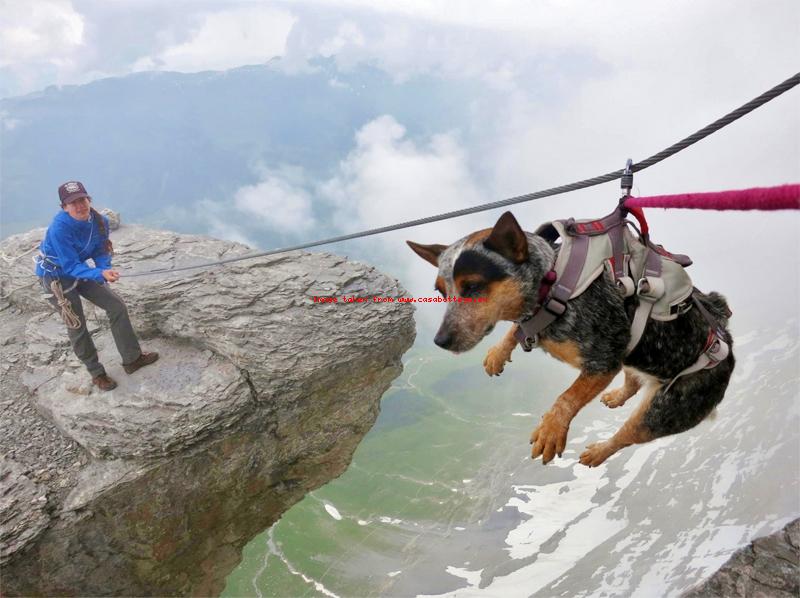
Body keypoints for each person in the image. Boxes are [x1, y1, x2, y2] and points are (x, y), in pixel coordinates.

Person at [35, 181, 158, 391]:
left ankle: (132, 359)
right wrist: (98, 273)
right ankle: (96, 373)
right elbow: (69, 265)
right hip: (55, 277)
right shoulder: (59, 229)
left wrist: (104, 269)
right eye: (73, 203)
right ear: (64, 207)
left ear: (89, 200)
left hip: (81, 271)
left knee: (116, 306)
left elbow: (101, 250)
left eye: (82, 200)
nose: (80, 206)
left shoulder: (99, 221)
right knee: (77, 325)